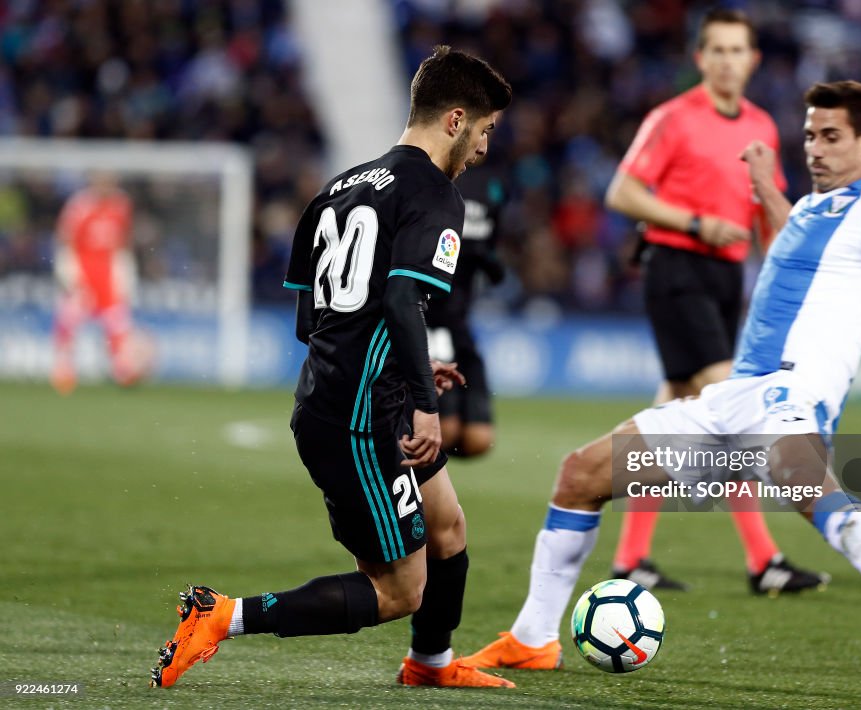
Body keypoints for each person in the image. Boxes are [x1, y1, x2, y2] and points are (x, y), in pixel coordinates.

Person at [464, 79, 861, 670]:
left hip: (792, 396)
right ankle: (531, 639)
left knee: (799, 476)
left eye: (831, 137)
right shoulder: (812, 209)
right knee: (580, 474)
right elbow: (790, 248)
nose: (815, 149)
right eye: (809, 136)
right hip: (729, 400)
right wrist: (762, 185)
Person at [148, 46, 514, 690]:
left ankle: (429, 667)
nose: (484, 148)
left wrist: (406, 363)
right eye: (484, 131)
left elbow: (310, 322)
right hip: (360, 419)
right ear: (455, 120)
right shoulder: (434, 194)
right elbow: (401, 298)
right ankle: (222, 616)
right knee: (400, 589)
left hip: (356, 396)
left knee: (448, 525)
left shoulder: (338, 189)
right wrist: (425, 400)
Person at [604, 7, 826, 594]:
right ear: (701, 59)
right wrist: (696, 222)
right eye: (718, 51)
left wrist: (784, 290)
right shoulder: (672, 118)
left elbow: (766, 216)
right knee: (729, 404)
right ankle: (764, 562)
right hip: (676, 266)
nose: (729, 61)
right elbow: (622, 191)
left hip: (727, 280)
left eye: (739, 51)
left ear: (753, 60)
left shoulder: (760, 127)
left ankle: (629, 562)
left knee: (671, 416)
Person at [425, 160, 506, 457]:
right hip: (426, 323)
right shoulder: (427, 179)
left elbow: (492, 249)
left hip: (458, 323)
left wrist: (488, 259)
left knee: (478, 441)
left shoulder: (494, 184)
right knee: (441, 433)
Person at [51, 172, 150, 394]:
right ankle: (63, 370)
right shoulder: (79, 205)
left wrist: (126, 271)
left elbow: (125, 240)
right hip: (83, 273)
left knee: (117, 323)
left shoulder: (121, 204)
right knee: (69, 320)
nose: (106, 186)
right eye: (102, 181)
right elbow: (65, 239)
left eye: (110, 181)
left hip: (109, 273)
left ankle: (122, 370)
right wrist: (67, 272)